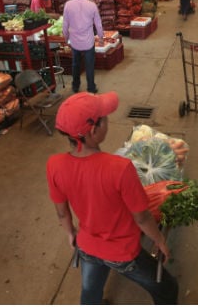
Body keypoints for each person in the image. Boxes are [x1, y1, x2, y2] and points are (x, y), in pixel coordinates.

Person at [47, 91, 179, 305]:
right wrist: (159, 240)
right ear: (93, 130)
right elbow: (142, 218)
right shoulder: (120, 168)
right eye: (105, 118)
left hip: (87, 245)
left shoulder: (54, 165)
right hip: (122, 251)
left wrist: (71, 233)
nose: (108, 121)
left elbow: (61, 212)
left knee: (90, 292)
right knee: (167, 287)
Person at [63, 0, 103, 94]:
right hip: (88, 41)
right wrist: (100, 37)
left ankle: (75, 86)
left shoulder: (68, 5)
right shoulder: (92, 5)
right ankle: (91, 87)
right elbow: (98, 23)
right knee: (89, 65)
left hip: (75, 41)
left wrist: (65, 38)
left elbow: (65, 24)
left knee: (75, 64)